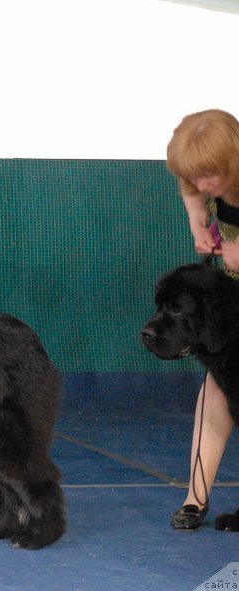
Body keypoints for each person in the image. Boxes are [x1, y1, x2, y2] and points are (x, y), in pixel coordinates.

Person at [166, 108, 239, 530]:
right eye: (195, 176)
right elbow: (191, 187)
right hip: (235, 297)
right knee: (218, 384)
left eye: (209, 175)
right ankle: (195, 498)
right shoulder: (201, 182)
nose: (202, 184)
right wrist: (197, 219)